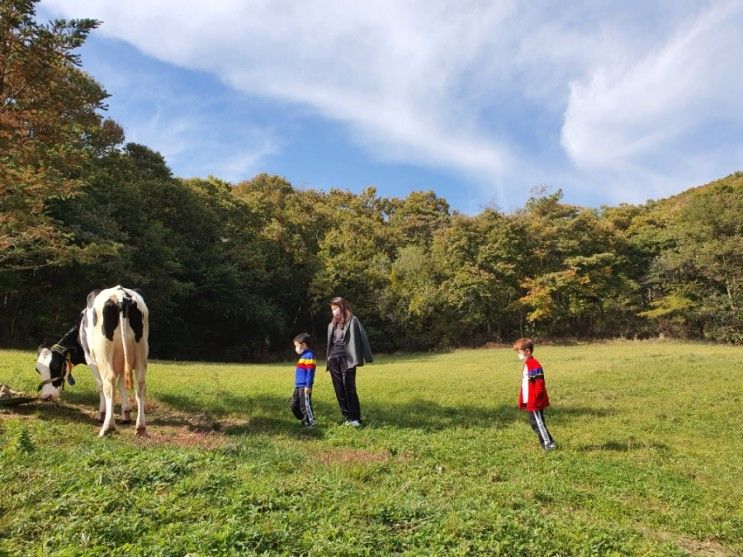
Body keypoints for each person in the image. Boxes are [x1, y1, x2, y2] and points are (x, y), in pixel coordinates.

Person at [326, 297, 373, 427]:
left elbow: (363, 338)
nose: (334, 311)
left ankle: (355, 418)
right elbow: (330, 344)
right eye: (332, 309)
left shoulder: (353, 321)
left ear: (342, 307)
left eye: (335, 308)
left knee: (349, 388)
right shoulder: (331, 325)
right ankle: (347, 416)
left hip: (348, 359)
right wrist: (329, 358)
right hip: (333, 360)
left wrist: (367, 356)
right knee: (339, 389)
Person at [514, 338, 556, 451]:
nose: (518, 354)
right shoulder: (527, 364)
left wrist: (535, 398)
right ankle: (547, 443)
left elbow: (539, 383)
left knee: (538, 423)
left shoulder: (534, 364)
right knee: (534, 423)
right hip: (530, 400)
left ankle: (548, 444)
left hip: (535, 401)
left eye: (519, 352)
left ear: (527, 351)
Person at [290, 333, 316, 427]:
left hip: (304, 386)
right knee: (293, 405)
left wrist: (308, 385)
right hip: (298, 385)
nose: (296, 348)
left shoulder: (309, 356)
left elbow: (310, 372)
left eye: (297, 345)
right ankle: (304, 419)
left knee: (305, 405)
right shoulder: (303, 356)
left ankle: (310, 423)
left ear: (304, 345)